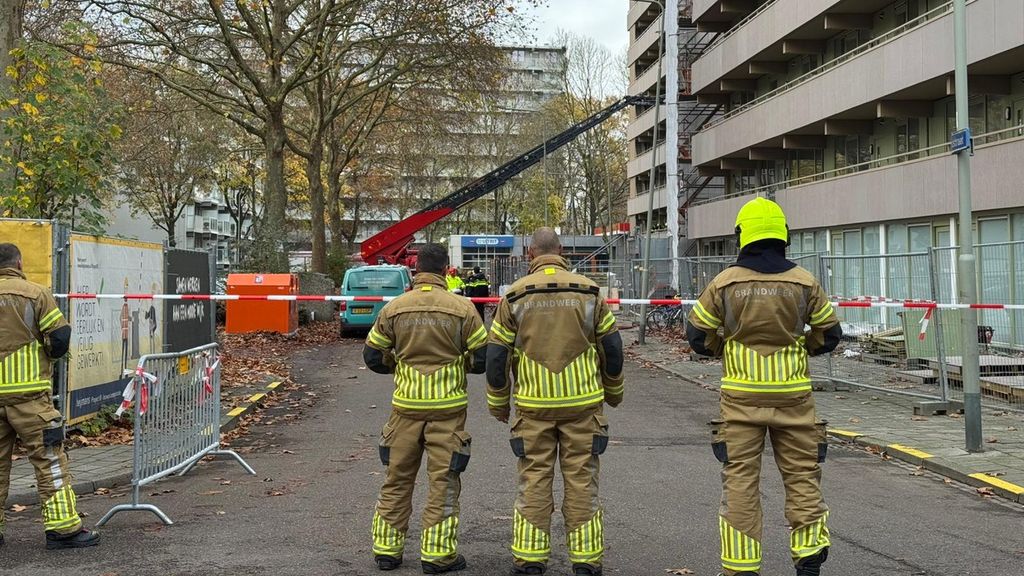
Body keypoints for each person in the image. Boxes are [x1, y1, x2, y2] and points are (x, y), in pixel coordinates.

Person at [685, 198, 841, 576]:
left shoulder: (725, 282)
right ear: (782, 235)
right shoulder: (804, 282)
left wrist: (725, 346)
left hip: (740, 398)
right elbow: (831, 334)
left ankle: (742, 566)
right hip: (793, 397)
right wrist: (803, 346)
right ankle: (808, 554)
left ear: (742, 235)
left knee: (740, 480)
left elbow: (696, 335)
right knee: (802, 474)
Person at [486, 228, 624, 576]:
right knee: (581, 480)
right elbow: (612, 348)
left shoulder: (514, 296)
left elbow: (496, 357)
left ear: (530, 254)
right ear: (561, 251)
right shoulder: (589, 291)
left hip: (533, 406)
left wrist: (499, 403)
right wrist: (613, 390)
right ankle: (586, 560)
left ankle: (531, 559)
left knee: (534, 478)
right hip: (583, 405)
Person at [363, 243, 487, 574]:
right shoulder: (462, 308)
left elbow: (373, 355)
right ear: (447, 270)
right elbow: (482, 358)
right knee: (443, 482)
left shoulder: (394, 308)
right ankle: (437, 555)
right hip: (448, 411)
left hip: (404, 410)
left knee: (397, 478)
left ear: (416, 270)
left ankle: (387, 551)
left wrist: (399, 366)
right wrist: (461, 365)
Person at [0, 243, 100, 549]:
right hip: (29, 398)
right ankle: (63, 530)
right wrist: (47, 356)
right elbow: (59, 337)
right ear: (18, 262)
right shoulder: (35, 293)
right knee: (49, 462)